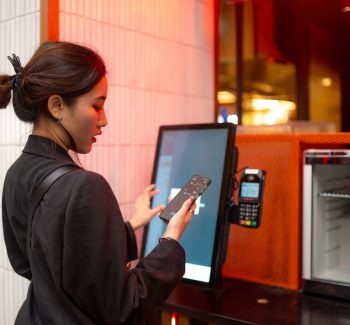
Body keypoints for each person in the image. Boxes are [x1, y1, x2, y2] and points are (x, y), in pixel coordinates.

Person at [0, 41, 196, 325]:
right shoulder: (85, 186)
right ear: (57, 106)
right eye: (96, 105)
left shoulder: (16, 173)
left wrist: (129, 226)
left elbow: (35, 262)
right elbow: (125, 307)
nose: (104, 120)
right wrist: (171, 240)